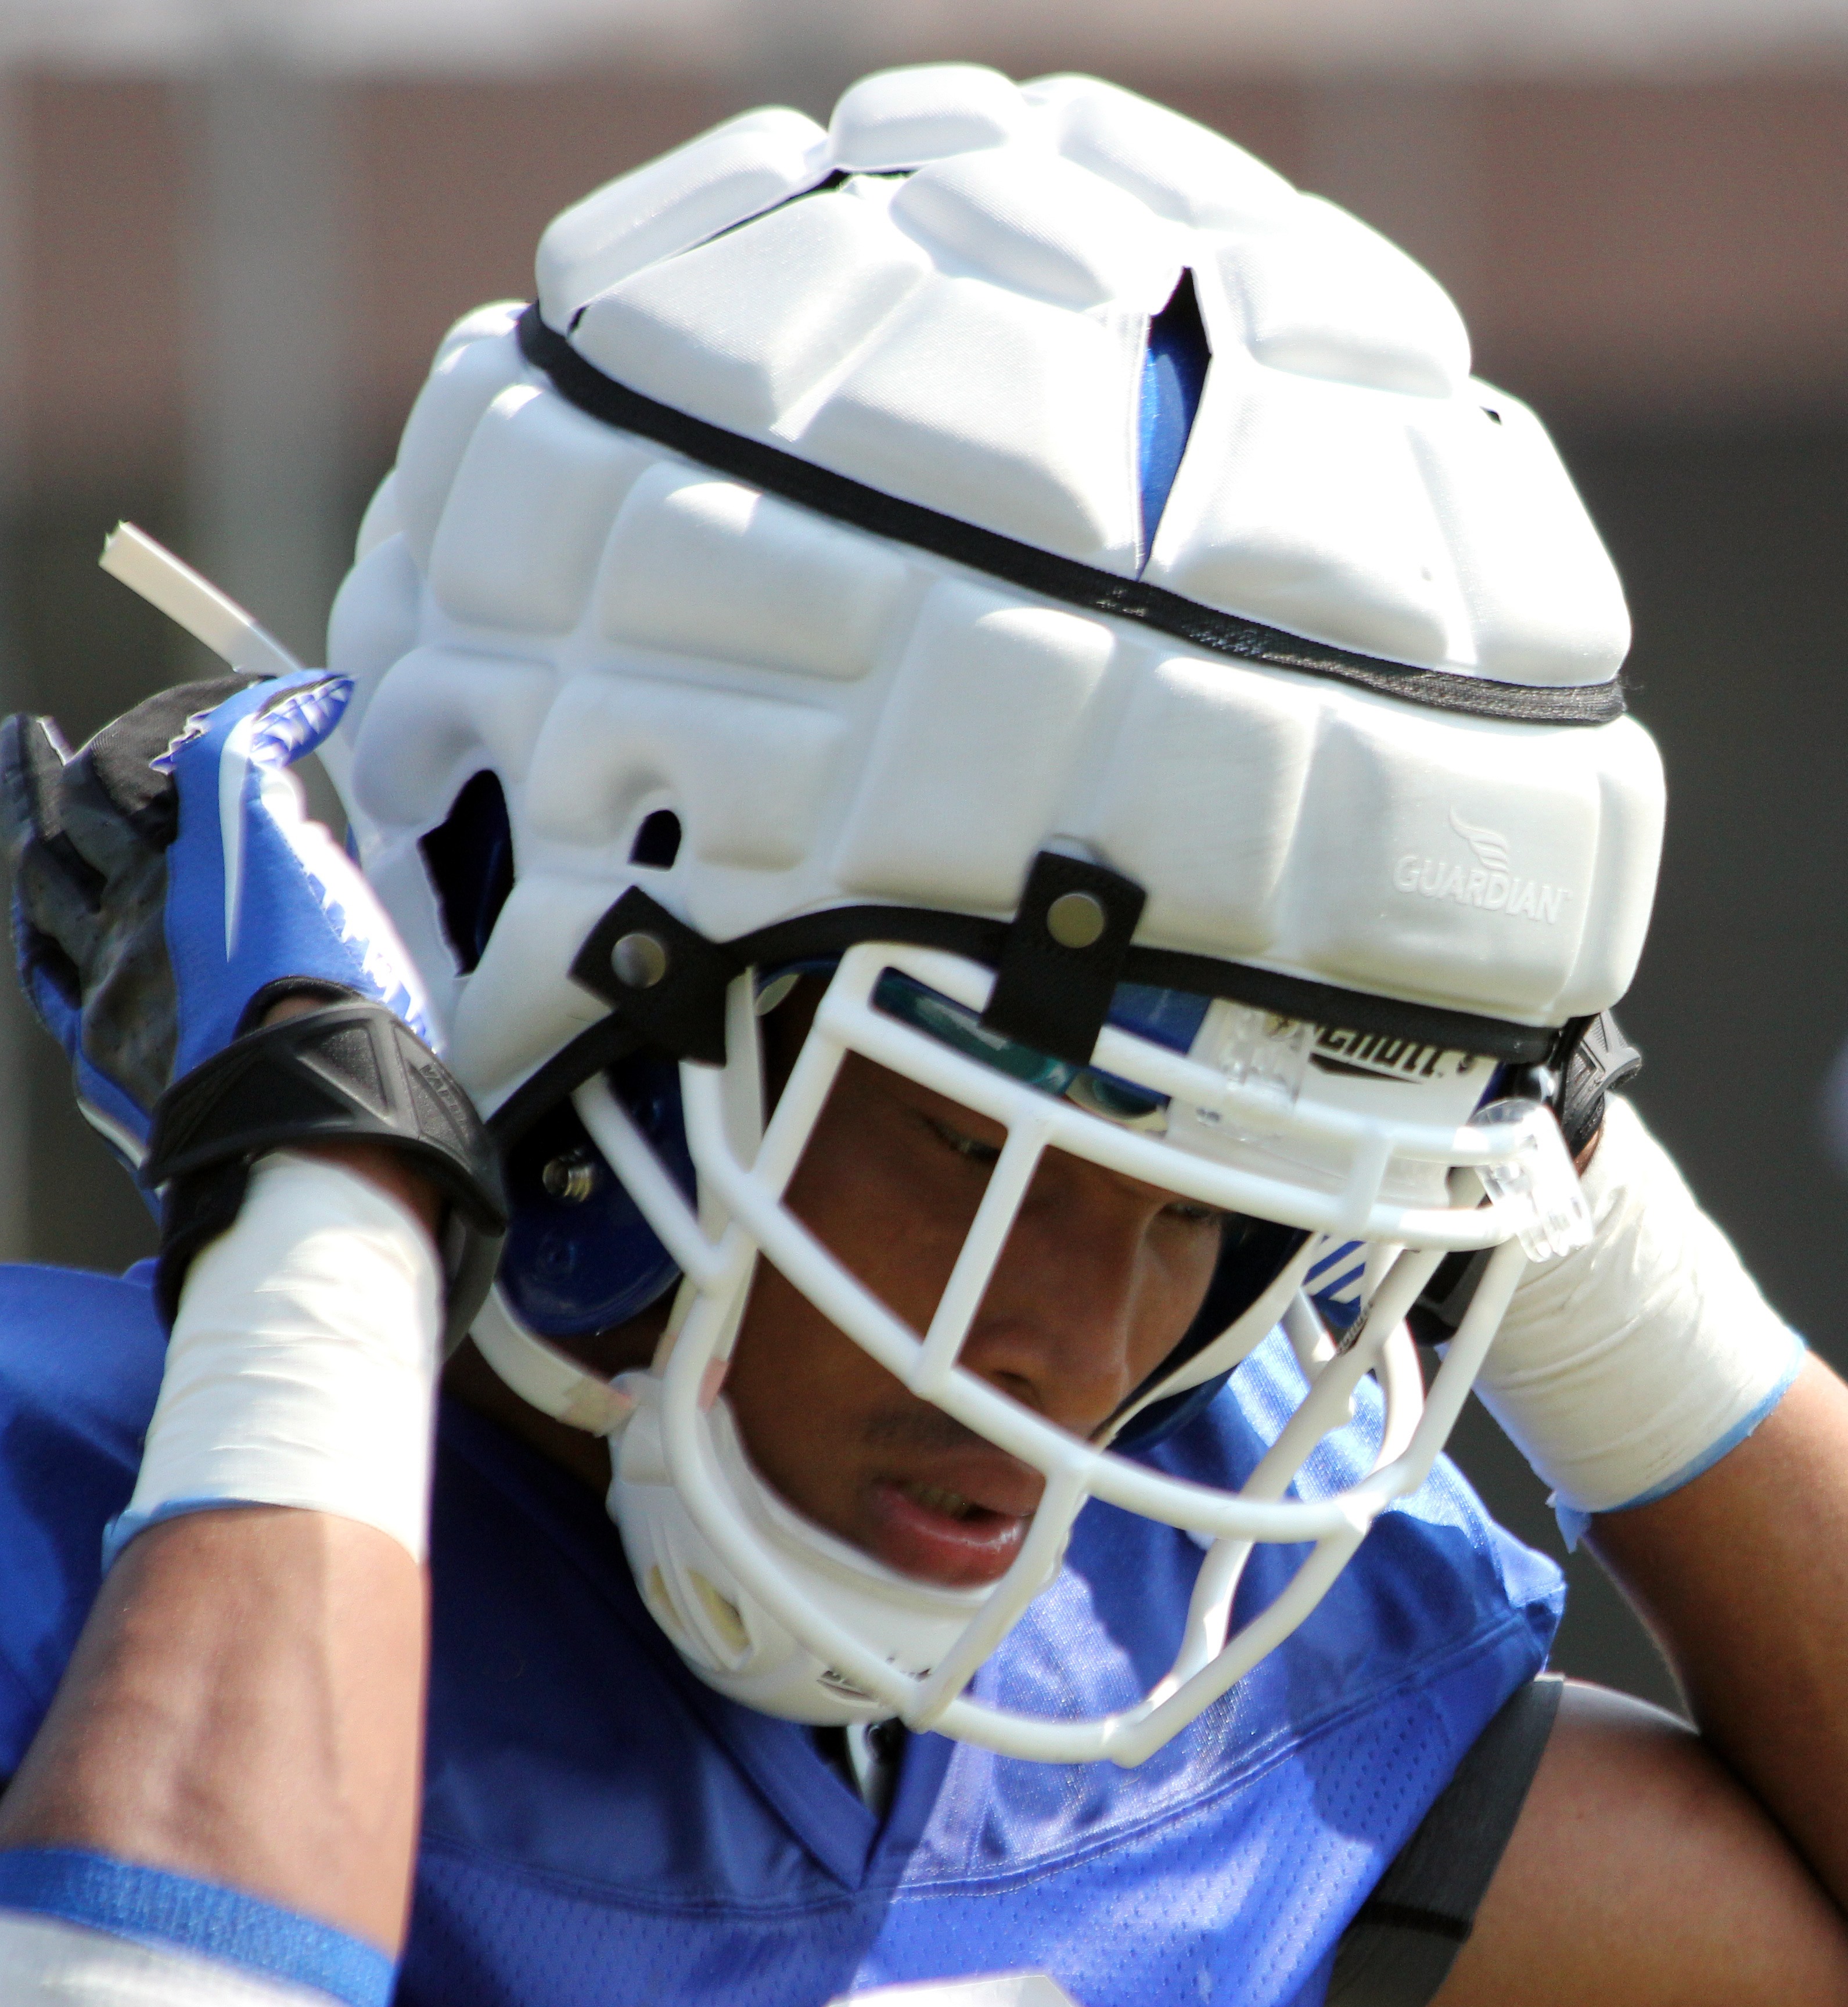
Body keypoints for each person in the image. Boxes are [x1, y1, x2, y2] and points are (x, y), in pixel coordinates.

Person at [0, 61, 1845, 2007]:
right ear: (574, 978)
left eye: (1202, 1209)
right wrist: (332, 1221)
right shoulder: (67, 1532)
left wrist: (1590, 1239)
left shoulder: (1224, 1706)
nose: (1079, 1361)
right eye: (993, 1150)